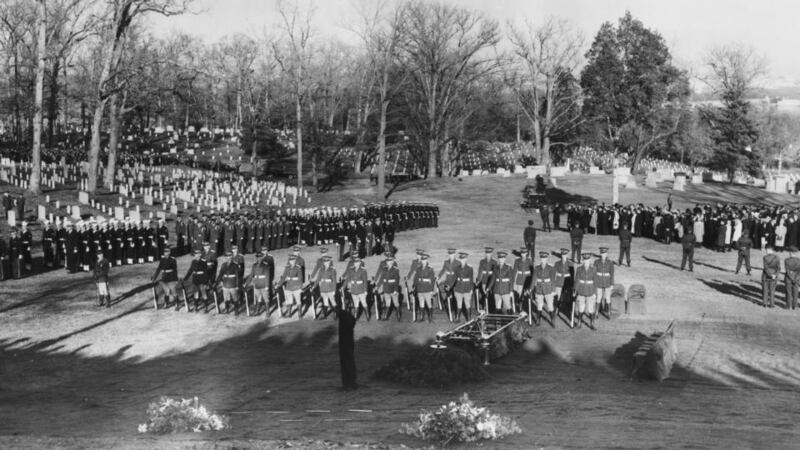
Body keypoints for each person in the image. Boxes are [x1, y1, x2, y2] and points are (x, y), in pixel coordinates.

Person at [336, 304, 357, 391]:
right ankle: (351, 382)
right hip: (349, 343)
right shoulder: (349, 319)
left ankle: (348, 383)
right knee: (350, 361)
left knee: (346, 362)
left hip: (344, 344)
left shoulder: (344, 319)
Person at [532, 251, 556, 327]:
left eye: (544, 258)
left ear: (547, 259)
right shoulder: (537, 268)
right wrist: (531, 288)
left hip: (548, 289)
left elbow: (553, 280)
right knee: (539, 305)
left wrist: (553, 290)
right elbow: (533, 279)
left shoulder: (550, 268)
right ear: (540, 259)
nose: (543, 260)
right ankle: (538, 320)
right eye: (542, 258)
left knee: (550, 305)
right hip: (539, 289)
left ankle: (552, 320)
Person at [248, 250, 274, 317]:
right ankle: (257, 311)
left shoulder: (265, 265)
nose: (259, 259)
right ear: (256, 258)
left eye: (260, 257)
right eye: (257, 257)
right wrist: (246, 283)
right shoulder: (254, 265)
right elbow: (251, 275)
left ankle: (268, 312)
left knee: (266, 299)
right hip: (257, 285)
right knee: (258, 298)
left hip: (263, 285)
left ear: (262, 258)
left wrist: (267, 285)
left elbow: (267, 276)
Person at [573, 253, 597, 329]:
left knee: (591, 309)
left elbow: (595, 282)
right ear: (583, 261)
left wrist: (595, 293)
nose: (586, 262)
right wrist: (575, 291)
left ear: (590, 261)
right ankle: (579, 323)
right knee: (581, 308)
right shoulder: (579, 269)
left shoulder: (593, 269)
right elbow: (577, 280)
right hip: (581, 290)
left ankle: (592, 324)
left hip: (590, 291)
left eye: (587, 260)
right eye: (585, 260)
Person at [376, 254, 401, 321]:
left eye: (390, 261)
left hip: (393, 289)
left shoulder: (395, 270)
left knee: (396, 303)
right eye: (388, 261)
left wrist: (396, 289)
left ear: (393, 262)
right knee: (387, 303)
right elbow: (382, 278)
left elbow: (397, 280)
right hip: (386, 288)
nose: (389, 263)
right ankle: (386, 316)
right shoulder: (384, 269)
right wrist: (378, 286)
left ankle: (398, 315)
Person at [412, 254, 436, 322]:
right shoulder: (418, 268)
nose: (423, 261)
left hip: (427, 289)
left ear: (427, 260)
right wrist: (414, 286)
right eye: (422, 260)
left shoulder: (430, 269)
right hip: (420, 288)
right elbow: (416, 278)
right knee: (421, 303)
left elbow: (432, 280)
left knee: (429, 303)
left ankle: (430, 318)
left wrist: (431, 290)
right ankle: (422, 317)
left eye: (425, 260)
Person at [451, 252, 474, 322]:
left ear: (466, 259)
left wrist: (471, 289)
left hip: (467, 288)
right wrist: (452, 288)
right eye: (461, 259)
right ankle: (457, 318)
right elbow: (454, 278)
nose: (462, 261)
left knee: (467, 304)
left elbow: (471, 279)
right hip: (458, 288)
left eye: (464, 259)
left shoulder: (470, 268)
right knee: (459, 303)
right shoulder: (456, 268)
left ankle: (469, 318)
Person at [594, 247, 615, 318]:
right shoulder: (596, 262)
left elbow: (612, 274)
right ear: (600, 254)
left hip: (607, 282)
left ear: (607, 254)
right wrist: (595, 283)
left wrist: (612, 284)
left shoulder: (610, 263)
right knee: (598, 297)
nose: (603, 255)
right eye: (602, 253)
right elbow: (594, 273)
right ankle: (596, 312)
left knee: (608, 297)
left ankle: (608, 313)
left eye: (605, 253)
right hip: (599, 281)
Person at [476, 247, 496, 313]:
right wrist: (479, 280)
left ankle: (491, 308)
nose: (488, 255)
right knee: (484, 293)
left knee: (491, 294)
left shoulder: (494, 262)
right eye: (487, 253)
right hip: (484, 280)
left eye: (489, 254)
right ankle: (484, 307)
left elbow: (495, 273)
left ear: (492, 254)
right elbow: (480, 271)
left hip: (491, 281)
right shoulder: (482, 262)